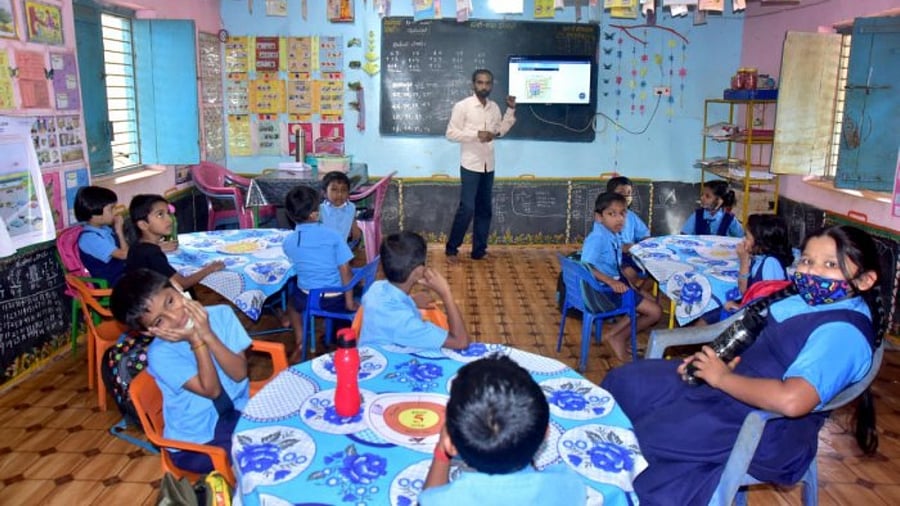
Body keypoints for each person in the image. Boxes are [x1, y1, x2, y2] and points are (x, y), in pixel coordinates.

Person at [601, 225, 884, 505]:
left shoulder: (843, 334)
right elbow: (749, 334)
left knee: (646, 438)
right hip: (731, 384)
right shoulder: (805, 300)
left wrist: (721, 378)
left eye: (830, 264)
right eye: (807, 260)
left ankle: (625, 490)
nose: (812, 271)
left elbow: (793, 400)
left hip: (765, 425)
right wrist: (712, 358)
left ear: (864, 280)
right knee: (627, 382)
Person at [110, 268, 251, 474]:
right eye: (159, 320)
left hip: (238, 412)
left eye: (170, 301)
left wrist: (208, 334)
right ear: (148, 331)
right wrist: (196, 340)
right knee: (256, 457)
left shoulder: (222, 314)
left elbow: (239, 373)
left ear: (177, 287)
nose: (176, 317)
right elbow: (212, 391)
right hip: (197, 441)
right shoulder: (160, 354)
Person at [419, 354, 585, 505]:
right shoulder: (570, 486)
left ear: (451, 444)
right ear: (546, 434)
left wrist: (442, 452)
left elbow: (429, 497)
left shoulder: (439, 500)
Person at [445, 69, 516, 262]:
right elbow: (451, 133)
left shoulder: (494, 108)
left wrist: (510, 110)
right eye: (480, 83)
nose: (484, 86)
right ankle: (451, 249)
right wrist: (476, 135)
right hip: (470, 165)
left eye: (487, 83)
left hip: (488, 165)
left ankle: (479, 251)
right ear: (473, 84)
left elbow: (500, 130)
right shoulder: (462, 106)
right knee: (467, 208)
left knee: (485, 209)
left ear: (491, 85)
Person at [581, 192, 662, 361]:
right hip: (602, 292)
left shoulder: (610, 233)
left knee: (650, 301)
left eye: (622, 213)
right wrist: (610, 281)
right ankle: (616, 337)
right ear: (599, 217)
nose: (619, 219)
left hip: (609, 286)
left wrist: (623, 282)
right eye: (612, 214)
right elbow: (586, 266)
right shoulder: (598, 237)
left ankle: (618, 335)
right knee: (655, 312)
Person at [282, 185, 358, 362]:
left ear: (291, 215)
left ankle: (301, 340)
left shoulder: (289, 241)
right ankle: (336, 337)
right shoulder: (333, 236)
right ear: (315, 213)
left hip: (306, 297)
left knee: (293, 306)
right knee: (353, 286)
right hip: (335, 298)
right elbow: (345, 269)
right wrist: (349, 301)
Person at [359, 231, 469, 350]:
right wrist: (446, 294)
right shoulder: (405, 324)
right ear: (418, 270)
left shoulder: (376, 287)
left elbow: (388, 311)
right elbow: (461, 342)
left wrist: (411, 301)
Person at [126, 194, 224, 291]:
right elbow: (181, 283)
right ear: (143, 225)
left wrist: (160, 247)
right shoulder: (152, 254)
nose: (169, 219)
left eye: (168, 213)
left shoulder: (137, 246)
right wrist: (210, 269)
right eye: (160, 214)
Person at [722, 213, 794, 313]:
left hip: (760, 315)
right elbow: (745, 292)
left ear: (761, 242)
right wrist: (744, 261)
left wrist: (739, 308)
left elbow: (770, 304)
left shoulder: (771, 264)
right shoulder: (757, 258)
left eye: (747, 237)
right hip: (751, 305)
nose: (743, 240)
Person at [74, 186, 128, 286]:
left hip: (122, 275)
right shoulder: (89, 239)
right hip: (111, 282)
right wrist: (119, 231)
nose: (115, 212)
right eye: (111, 209)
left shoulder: (104, 229)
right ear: (95, 214)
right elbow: (124, 255)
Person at [606, 176, 650, 288]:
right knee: (629, 273)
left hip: (631, 253)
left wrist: (642, 244)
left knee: (654, 272)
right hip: (611, 254)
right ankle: (633, 294)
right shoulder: (605, 216)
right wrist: (622, 247)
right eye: (621, 193)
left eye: (629, 193)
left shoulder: (631, 216)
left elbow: (644, 235)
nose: (626, 197)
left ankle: (636, 293)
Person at [680, 180, 744, 237]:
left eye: (707, 196)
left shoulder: (729, 218)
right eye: (702, 195)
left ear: (720, 201)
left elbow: (742, 236)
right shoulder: (697, 215)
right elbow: (684, 234)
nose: (702, 198)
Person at [319, 170, 362, 248]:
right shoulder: (319, 210)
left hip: (342, 248)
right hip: (323, 249)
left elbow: (355, 232)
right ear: (324, 193)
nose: (339, 194)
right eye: (334, 190)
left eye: (344, 190)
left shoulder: (351, 207)